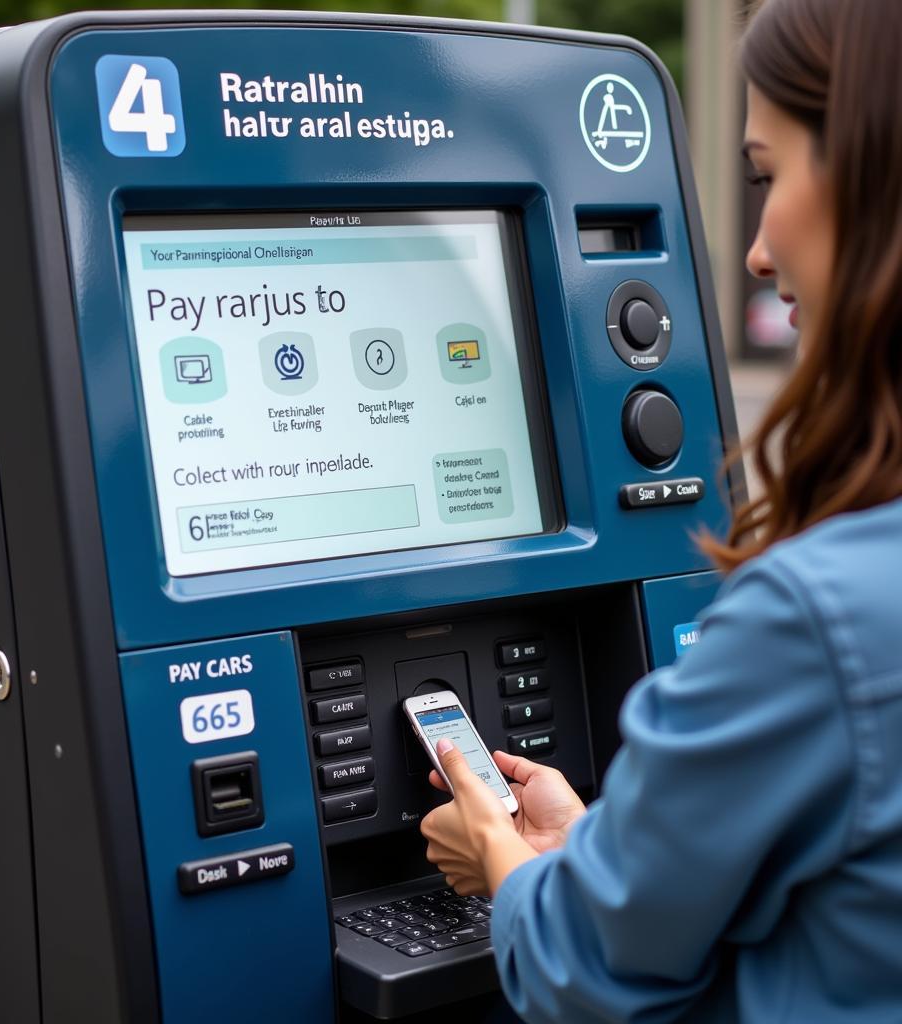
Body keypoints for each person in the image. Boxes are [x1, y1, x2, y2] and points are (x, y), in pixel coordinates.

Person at [420, 0, 902, 1019]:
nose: (759, 249)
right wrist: (610, 837)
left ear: (870, 182)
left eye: (769, 174)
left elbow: (586, 966)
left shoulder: (813, 617)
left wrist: (502, 854)